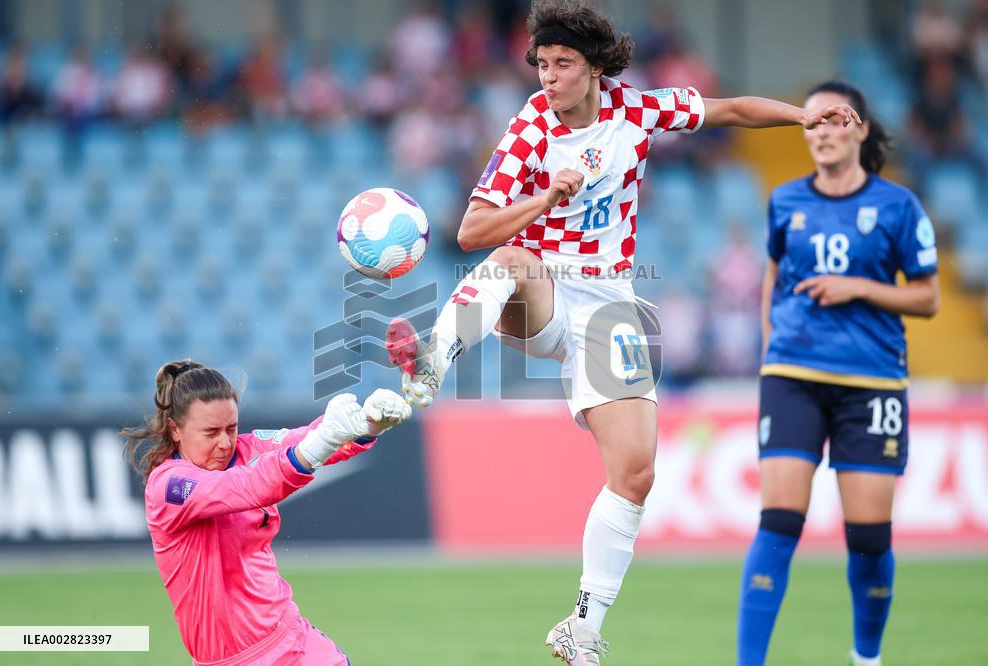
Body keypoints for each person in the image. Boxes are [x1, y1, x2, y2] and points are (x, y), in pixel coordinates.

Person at [382, 1, 861, 663]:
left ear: (596, 66)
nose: (548, 77)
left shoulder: (638, 110)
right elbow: (471, 232)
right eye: (541, 64)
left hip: (609, 306)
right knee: (510, 259)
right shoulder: (530, 129)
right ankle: (432, 361)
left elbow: (731, 110)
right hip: (542, 294)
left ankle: (582, 627)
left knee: (636, 473)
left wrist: (801, 114)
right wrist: (546, 198)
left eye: (562, 64)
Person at [736, 81, 940, 666]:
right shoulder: (785, 200)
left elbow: (927, 298)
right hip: (792, 375)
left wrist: (859, 288)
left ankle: (866, 657)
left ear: (861, 129)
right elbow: (773, 273)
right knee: (777, 521)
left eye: (834, 119)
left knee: (869, 538)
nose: (821, 131)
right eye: (812, 122)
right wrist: (770, 342)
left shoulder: (899, 207)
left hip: (871, 382)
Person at [122, 359, 411, 665]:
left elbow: (306, 439)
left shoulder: (247, 449)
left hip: (292, 637)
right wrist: (320, 443)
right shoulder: (168, 486)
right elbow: (242, 486)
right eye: (210, 432)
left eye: (231, 428)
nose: (224, 443)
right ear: (175, 430)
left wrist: (368, 423)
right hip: (234, 660)